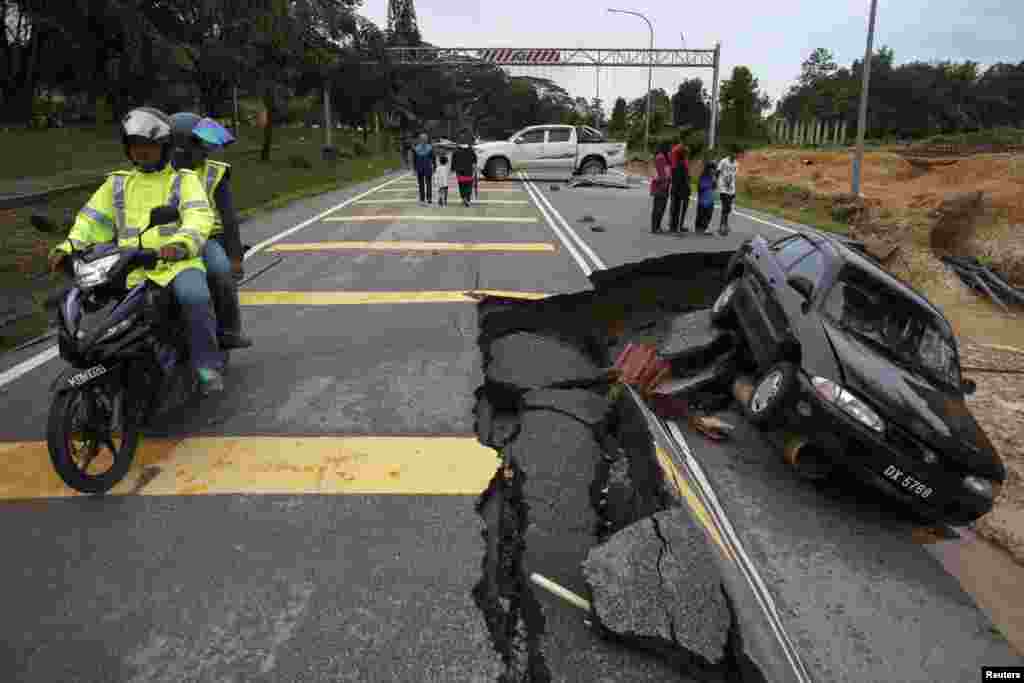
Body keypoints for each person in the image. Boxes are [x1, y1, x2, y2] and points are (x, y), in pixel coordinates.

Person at [48, 107, 224, 395]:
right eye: (135, 146)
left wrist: (181, 244)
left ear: (164, 147)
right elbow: (92, 220)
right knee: (86, 305)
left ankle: (207, 366)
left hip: (174, 264)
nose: (142, 152)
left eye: (149, 146)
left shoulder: (184, 180)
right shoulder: (117, 182)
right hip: (124, 264)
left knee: (195, 296)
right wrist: (68, 247)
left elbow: (198, 216)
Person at [169, 111, 253, 352]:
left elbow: (229, 218)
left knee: (221, 272)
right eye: (200, 146)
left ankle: (229, 331)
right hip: (164, 240)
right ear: (181, 147)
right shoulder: (158, 171)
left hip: (207, 239)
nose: (206, 152)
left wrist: (235, 257)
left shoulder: (215, 171)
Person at [669, 140, 691, 234]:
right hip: (680, 189)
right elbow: (684, 179)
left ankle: (675, 226)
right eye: (686, 153)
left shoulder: (676, 164)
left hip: (676, 188)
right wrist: (687, 188)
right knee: (678, 208)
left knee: (675, 208)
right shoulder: (681, 165)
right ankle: (676, 226)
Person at [716, 147, 740, 235]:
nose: (735, 155)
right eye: (734, 153)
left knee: (728, 208)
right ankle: (722, 226)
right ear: (730, 153)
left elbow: (734, 176)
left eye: (736, 154)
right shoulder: (723, 161)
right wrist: (716, 183)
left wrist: (733, 189)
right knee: (725, 207)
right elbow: (718, 172)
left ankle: (724, 224)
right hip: (723, 187)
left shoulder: (737, 164)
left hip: (731, 188)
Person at [649, 142, 672, 234]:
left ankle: (657, 227)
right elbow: (662, 173)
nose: (670, 150)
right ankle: (655, 228)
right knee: (658, 207)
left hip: (664, 185)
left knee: (661, 207)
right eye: (669, 147)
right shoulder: (660, 157)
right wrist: (665, 182)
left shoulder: (663, 157)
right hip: (661, 186)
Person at [451, 136, 478, 207]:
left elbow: (453, 162)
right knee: (468, 185)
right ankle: (467, 199)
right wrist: (475, 169)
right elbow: (474, 161)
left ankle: (463, 198)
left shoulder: (456, 151)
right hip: (469, 171)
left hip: (459, 172)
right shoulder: (471, 150)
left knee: (461, 185)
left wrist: (453, 169)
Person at [412, 132, 436, 205]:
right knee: (428, 183)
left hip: (420, 168)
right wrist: (435, 166)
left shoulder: (416, 148)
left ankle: (422, 198)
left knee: (421, 184)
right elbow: (433, 158)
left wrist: (414, 169)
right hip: (428, 167)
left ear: (419, 140)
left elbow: (414, 160)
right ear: (427, 139)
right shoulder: (430, 148)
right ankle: (429, 198)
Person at [695, 161, 717, 234]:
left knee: (708, 214)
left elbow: (714, 187)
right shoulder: (704, 176)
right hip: (703, 198)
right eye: (712, 169)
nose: (713, 170)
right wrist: (709, 185)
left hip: (710, 198)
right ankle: (699, 227)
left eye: (714, 169)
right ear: (708, 169)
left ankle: (704, 227)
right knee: (702, 213)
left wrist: (714, 181)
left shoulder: (713, 177)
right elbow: (701, 187)